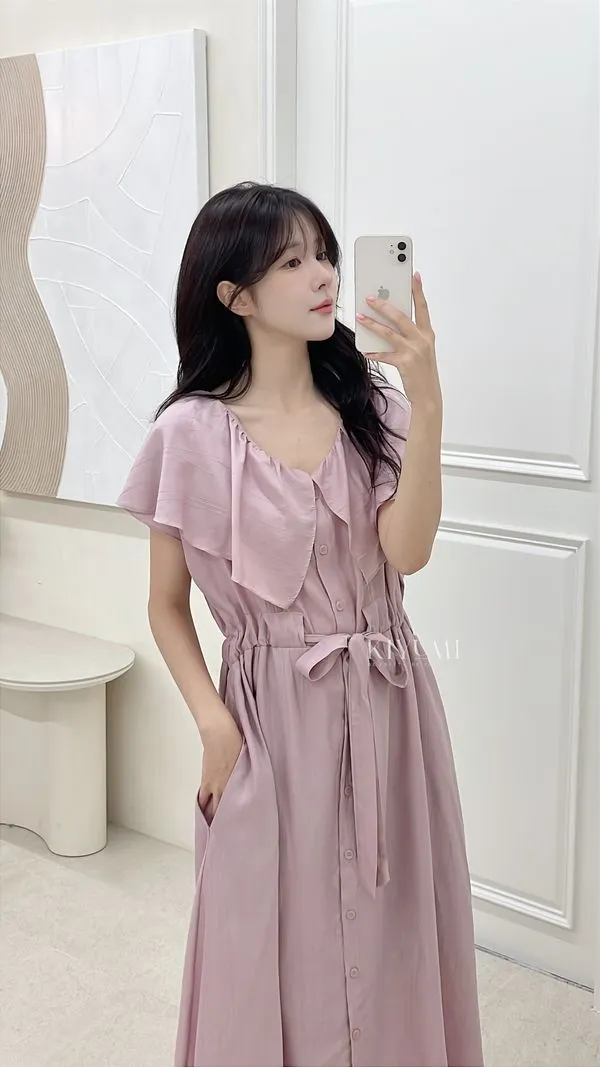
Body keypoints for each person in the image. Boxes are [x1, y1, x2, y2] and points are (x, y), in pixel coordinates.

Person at [117, 181, 484, 1067]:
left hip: (388, 705)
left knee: (394, 929)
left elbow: (407, 552)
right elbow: (166, 603)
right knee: (270, 945)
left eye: (324, 254)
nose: (323, 275)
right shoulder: (189, 435)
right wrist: (214, 725)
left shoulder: (374, 411)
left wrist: (428, 399)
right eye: (292, 261)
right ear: (235, 296)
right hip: (266, 724)